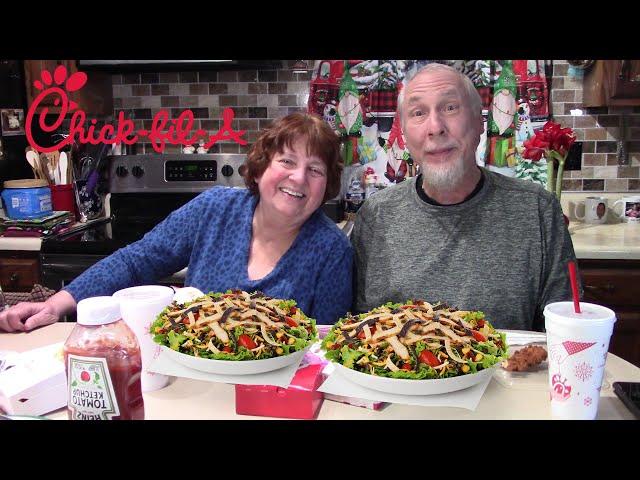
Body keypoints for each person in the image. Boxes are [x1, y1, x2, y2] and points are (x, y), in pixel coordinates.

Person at [0, 112, 352, 332]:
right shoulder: (214, 209)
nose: (299, 178)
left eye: (315, 169)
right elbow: (136, 260)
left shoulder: (331, 249)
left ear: (327, 187)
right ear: (260, 168)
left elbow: (325, 346)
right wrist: (55, 304)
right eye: (287, 161)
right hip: (187, 379)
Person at [352, 63, 577, 331]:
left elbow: (566, 332)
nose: (435, 127)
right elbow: (359, 331)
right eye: (418, 112)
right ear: (406, 136)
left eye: (450, 108)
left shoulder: (537, 211)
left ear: (479, 123)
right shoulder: (376, 216)